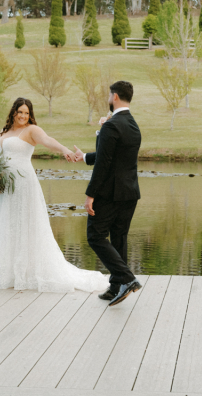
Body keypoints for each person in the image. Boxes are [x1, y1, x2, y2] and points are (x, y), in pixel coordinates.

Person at [0, 98, 111, 293]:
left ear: (30, 114)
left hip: (23, 183)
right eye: (20, 112)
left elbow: (48, 140)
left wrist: (65, 150)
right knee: (6, 223)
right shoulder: (5, 132)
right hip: (3, 186)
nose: (23, 116)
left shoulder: (31, 130)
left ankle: (28, 272)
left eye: (26, 112)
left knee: (26, 224)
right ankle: (7, 272)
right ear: (13, 112)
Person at [73, 81, 142, 306]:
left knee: (95, 236)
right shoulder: (132, 124)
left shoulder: (112, 126)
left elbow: (103, 164)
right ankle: (115, 287)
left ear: (114, 97)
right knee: (119, 238)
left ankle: (127, 278)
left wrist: (90, 194)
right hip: (130, 192)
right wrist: (84, 156)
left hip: (110, 193)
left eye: (109, 95)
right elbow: (112, 155)